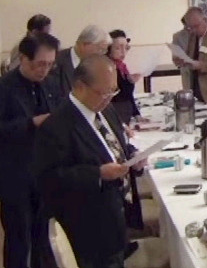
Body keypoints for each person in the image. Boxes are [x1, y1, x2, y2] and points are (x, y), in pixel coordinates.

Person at [34, 55, 147, 268]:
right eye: (103, 93)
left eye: (113, 91)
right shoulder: (57, 125)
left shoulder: (106, 110)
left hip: (117, 219)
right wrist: (98, 173)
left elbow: (116, 145)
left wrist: (133, 157)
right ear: (80, 87)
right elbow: (49, 179)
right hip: (90, 228)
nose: (108, 98)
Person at [0, 33, 62, 268]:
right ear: (23, 59)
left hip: (44, 174)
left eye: (50, 64)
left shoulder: (51, 84)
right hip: (14, 176)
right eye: (40, 64)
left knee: (43, 239)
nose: (44, 70)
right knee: (18, 243)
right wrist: (31, 123)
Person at [53, 25, 111, 95]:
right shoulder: (57, 61)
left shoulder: (96, 66)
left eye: (104, 51)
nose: (101, 54)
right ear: (84, 45)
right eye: (100, 49)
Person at [106, 30, 142, 124]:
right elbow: (116, 96)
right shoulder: (107, 68)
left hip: (125, 112)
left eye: (126, 47)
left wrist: (136, 114)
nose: (123, 52)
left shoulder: (121, 66)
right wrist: (130, 82)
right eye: (118, 48)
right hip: (115, 114)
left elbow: (129, 96)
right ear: (108, 49)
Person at [171, 15, 191, 89]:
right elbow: (175, 56)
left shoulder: (203, 33)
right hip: (186, 70)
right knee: (188, 91)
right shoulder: (177, 36)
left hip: (203, 71)